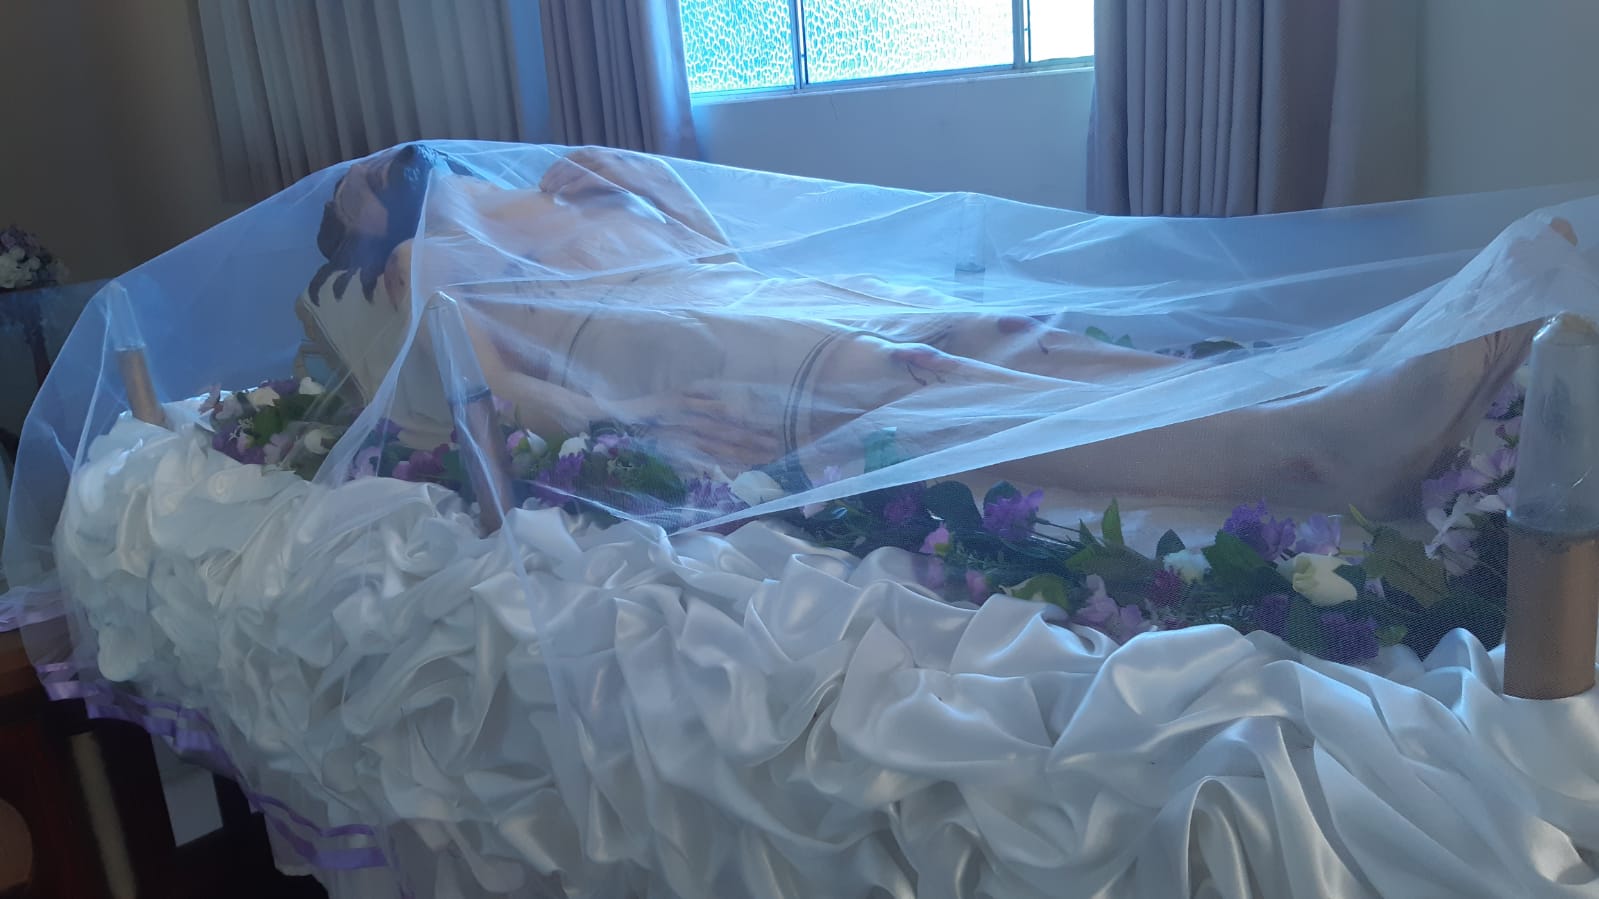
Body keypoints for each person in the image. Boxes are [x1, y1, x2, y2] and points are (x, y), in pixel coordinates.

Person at [297, 144, 1570, 518]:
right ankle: (1316, 452)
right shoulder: (419, 260)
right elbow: (489, 380)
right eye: (349, 189)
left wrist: (635, 184)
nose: (365, 170)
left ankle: (1316, 409)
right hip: (710, 359)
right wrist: (626, 421)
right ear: (362, 230)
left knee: (1003, 333)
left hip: (768, 303)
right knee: (948, 395)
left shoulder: (571, 182)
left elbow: (722, 249)